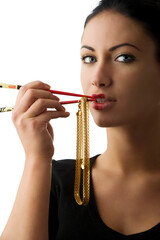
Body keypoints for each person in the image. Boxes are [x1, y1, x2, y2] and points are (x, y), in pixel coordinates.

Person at [1, 0, 160, 239]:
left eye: (123, 57)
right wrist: (36, 158)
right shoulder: (54, 180)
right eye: (89, 58)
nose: (98, 78)